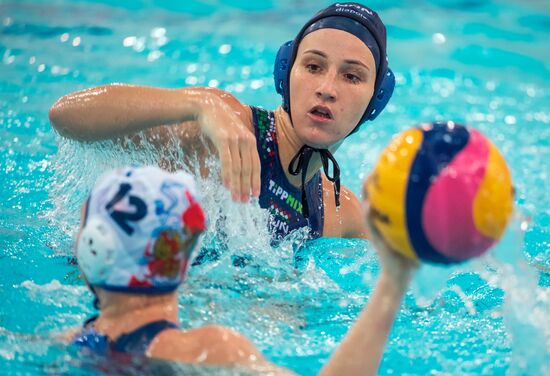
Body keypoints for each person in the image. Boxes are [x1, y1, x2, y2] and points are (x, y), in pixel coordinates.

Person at [49, 2, 395, 241]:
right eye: (313, 66)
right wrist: (198, 104)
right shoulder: (226, 127)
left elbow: (401, 271)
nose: (326, 89)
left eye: (352, 76)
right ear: (285, 73)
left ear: (374, 102)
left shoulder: (337, 210)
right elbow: (66, 115)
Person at [69, 165, 415, 375]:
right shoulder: (210, 350)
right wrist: (392, 286)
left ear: (92, 249)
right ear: (186, 257)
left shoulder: (71, 343)